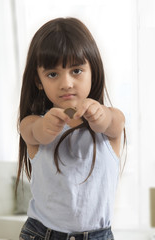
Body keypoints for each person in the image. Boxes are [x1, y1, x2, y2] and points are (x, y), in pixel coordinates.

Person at [17, 17, 125, 240]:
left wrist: (99, 116)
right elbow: (33, 131)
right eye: (53, 74)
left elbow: (113, 123)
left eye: (76, 71)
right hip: (41, 234)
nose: (66, 83)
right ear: (38, 81)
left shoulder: (109, 122)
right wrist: (45, 126)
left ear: (92, 69)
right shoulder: (32, 123)